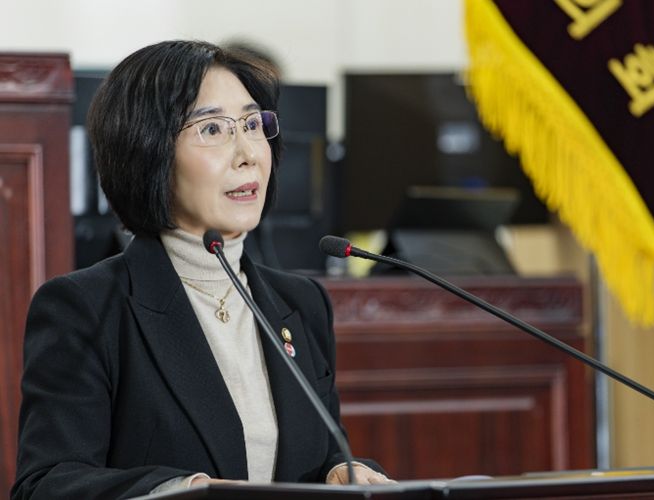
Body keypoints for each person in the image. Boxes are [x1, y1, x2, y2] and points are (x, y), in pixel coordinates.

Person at [11, 40, 390, 500]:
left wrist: (341, 472)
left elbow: (323, 453)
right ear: (148, 151)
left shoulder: (301, 304)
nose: (248, 153)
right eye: (212, 129)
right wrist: (185, 491)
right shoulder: (85, 309)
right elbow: (46, 485)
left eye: (252, 124)